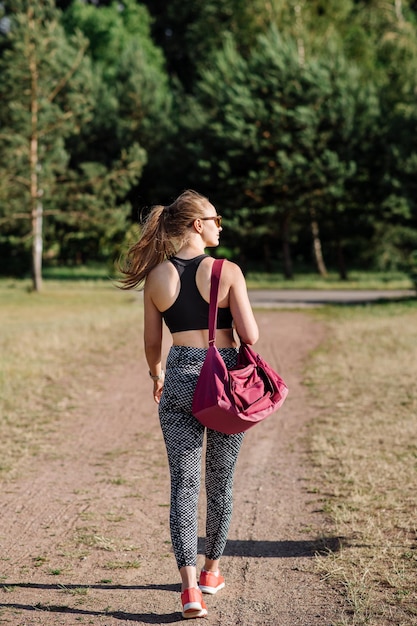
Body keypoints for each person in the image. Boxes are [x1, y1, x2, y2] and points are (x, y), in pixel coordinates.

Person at [120, 189, 259, 619]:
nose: (221, 225)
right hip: (223, 382)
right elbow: (250, 336)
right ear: (198, 225)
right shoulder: (228, 271)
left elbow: (150, 344)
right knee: (220, 479)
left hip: (179, 374)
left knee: (183, 484)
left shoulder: (156, 277)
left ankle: (188, 590)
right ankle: (211, 571)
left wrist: (157, 373)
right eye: (217, 219)